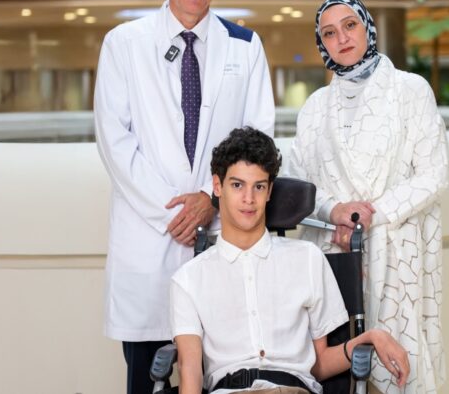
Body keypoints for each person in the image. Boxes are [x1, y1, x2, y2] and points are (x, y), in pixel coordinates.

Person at [93, 0, 275, 394]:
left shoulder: (244, 45)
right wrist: (177, 212)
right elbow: (115, 142)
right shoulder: (124, 43)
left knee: (222, 374)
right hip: (149, 239)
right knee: (145, 376)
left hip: (220, 238)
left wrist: (211, 201)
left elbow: (258, 140)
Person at [287, 0, 449, 394]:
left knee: (400, 367)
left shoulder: (410, 90)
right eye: (329, 33)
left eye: (350, 26)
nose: (341, 38)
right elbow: (296, 182)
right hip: (334, 256)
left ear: (367, 28)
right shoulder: (314, 108)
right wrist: (335, 211)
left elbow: (434, 173)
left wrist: (366, 215)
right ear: (321, 43)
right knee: (337, 369)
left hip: (395, 252)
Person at [170, 127, 410, 394]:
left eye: (259, 186)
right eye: (237, 185)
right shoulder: (188, 280)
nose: (249, 199)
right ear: (217, 186)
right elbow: (189, 370)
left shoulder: (307, 259)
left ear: (269, 191)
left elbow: (318, 365)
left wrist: (372, 337)